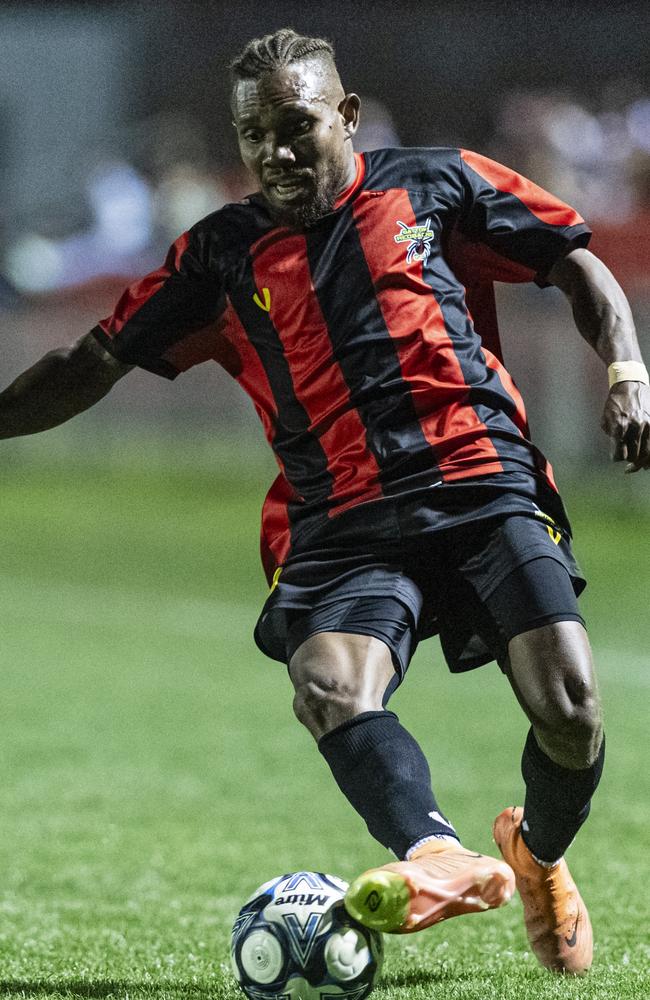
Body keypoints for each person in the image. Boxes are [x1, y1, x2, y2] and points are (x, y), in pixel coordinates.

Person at [1, 28, 648, 977]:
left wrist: (628, 369)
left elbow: (573, 262)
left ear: (345, 117)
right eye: (254, 135)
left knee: (573, 708)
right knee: (331, 687)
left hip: (480, 481)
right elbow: (87, 364)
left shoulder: (437, 183)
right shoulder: (219, 255)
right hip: (341, 519)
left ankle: (538, 856)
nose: (275, 153)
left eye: (297, 127)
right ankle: (434, 853)